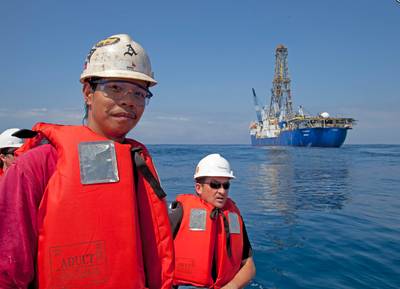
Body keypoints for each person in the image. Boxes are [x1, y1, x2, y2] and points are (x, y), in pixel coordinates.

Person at [0, 34, 174, 289]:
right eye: (115, 87)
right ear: (88, 93)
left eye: (139, 93)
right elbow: (7, 271)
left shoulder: (138, 167)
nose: (128, 100)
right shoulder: (37, 166)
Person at [169, 154, 256, 289]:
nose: (222, 191)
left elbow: (248, 264)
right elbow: (153, 255)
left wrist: (231, 287)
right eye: (215, 185)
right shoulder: (180, 212)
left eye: (226, 185)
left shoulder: (234, 216)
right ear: (199, 188)